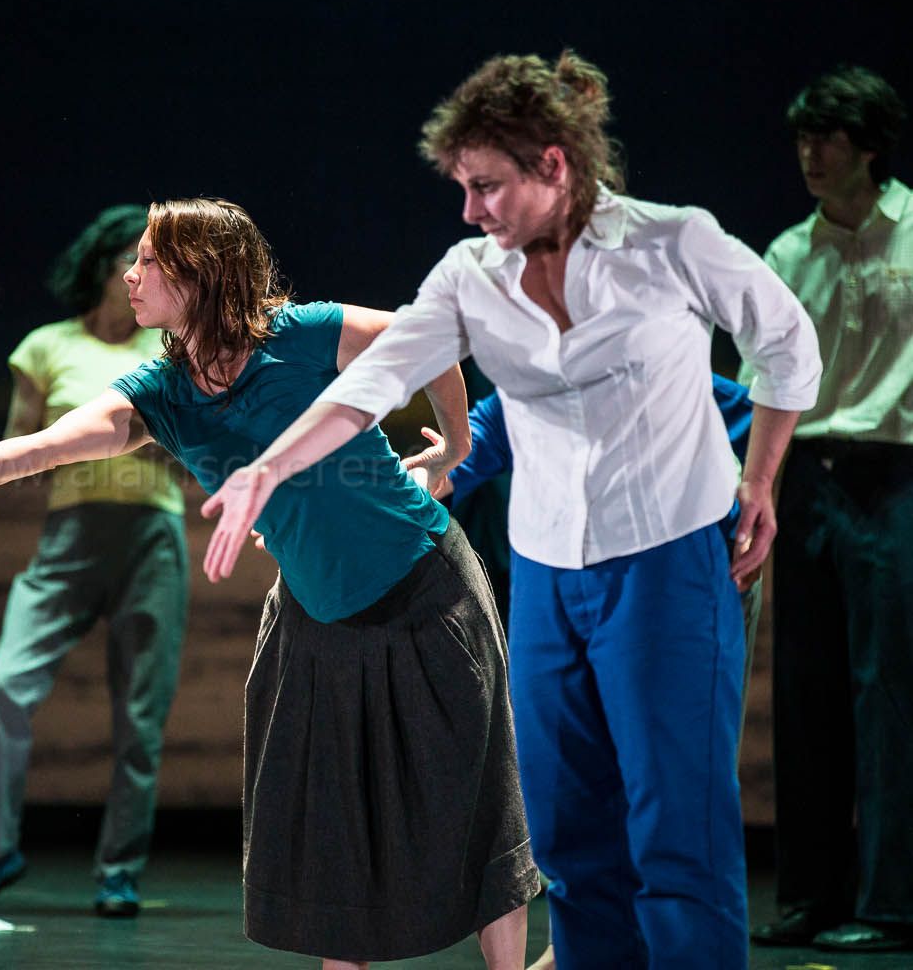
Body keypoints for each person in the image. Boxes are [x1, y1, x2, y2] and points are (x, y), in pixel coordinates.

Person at [199, 53, 822, 970]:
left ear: (553, 166)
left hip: (669, 561)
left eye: (485, 186)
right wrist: (268, 468)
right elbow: (375, 381)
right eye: (462, 187)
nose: (469, 209)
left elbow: (788, 345)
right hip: (547, 575)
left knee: (675, 828)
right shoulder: (470, 277)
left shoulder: (674, 244)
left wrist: (759, 481)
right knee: (567, 832)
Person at [0, 197, 538, 970]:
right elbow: (47, 445)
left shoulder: (306, 333)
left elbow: (427, 342)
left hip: (425, 588)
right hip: (317, 619)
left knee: (472, 794)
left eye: (149, 260)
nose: (131, 274)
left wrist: (453, 447)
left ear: (201, 273)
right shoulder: (161, 392)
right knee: (332, 827)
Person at [422, 375, 761, 970]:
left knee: (674, 812)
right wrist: (430, 467)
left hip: (670, 580)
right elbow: (488, 431)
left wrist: (749, 498)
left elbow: (753, 406)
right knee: (574, 813)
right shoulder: (533, 377)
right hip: (567, 579)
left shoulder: (653, 365)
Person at [0, 205, 189, 919]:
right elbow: (20, 446)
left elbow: (201, 447)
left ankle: (120, 870)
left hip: (152, 537)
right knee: (4, 685)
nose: (146, 276)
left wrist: (163, 446)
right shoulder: (46, 346)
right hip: (70, 537)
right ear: (106, 267)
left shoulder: (173, 347)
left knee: (141, 712)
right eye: (138, 261)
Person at [743, 65, 913, 955]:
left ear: (870, 147)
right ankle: (811, 894)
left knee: (890, 690)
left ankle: (892, 903)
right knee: (806, 691)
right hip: (807, 478)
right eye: (804, 138)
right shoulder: (787, 253)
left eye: (830, 138)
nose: (810, 153)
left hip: (898, 475)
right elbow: (759, 379)